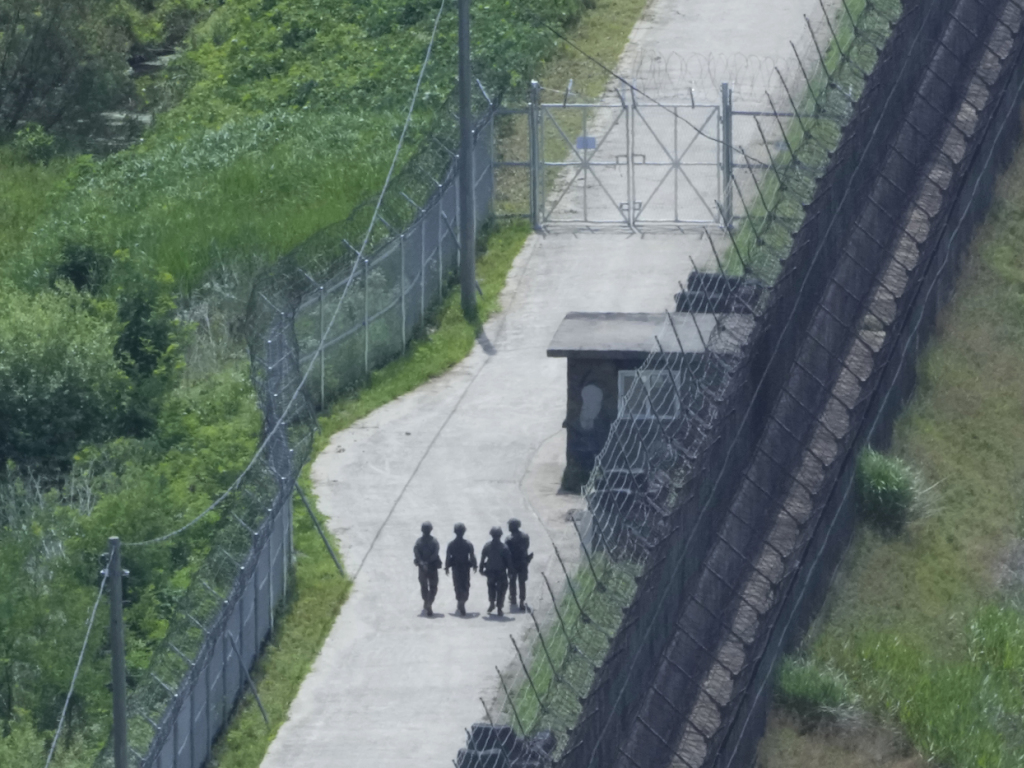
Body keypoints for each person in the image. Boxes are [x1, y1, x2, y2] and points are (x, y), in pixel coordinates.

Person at [479, 526, 513, 616]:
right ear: (500, 535)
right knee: (501, 590)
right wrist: (510, 572)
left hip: (490, 571)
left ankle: (492, 603)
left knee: (491, 588)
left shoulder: (487, 546)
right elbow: (509, 561)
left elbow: (482, 558)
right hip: (501, 572)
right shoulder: (504, 547)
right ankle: (499, 608)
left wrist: (481, 568)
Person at [445, 523, 477, 616]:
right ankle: (462, 601)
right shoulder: (468, 544)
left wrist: (446, 567)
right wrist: (475, 565)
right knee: (465, 585)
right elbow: (472, 556)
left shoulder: (451, 544)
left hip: (456, 568)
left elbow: (448, 557)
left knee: (457, 585)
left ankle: (460, 601)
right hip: (465, 568)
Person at [413, 521, 442, 616]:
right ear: (431, 530)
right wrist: (428, 562)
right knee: (433, 587)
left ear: (422, 530)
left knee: (424, 587)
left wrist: (422, 563)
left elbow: (416, 554)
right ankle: (429, 602)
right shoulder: (434, 541)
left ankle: (426, 601)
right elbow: (435, 554)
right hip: (432, 567)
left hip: (422, 568)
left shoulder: (418, 542)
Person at [505, 518, 534, 611]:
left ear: (513, 526)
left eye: (510, 525)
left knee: (512, 581)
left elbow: (507, 552)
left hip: (512, 563)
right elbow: (526, 547)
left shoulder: (508, 539)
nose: (508, 527)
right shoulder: (525, 537)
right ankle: (522, 600)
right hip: (523, 562)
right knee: (522, 582)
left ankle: (513, 597)